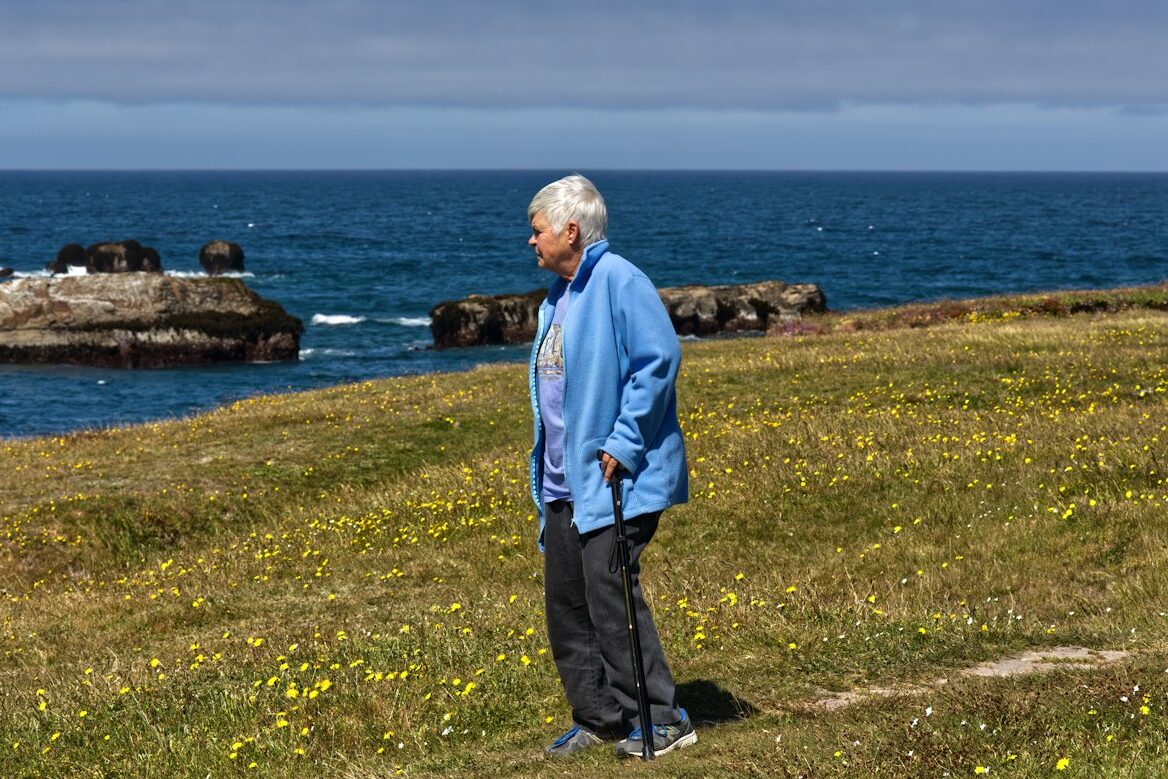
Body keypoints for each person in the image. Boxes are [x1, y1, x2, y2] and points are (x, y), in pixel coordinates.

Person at [526, 174, 696, 759]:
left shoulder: (619, 279)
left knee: (611, 594)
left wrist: (623, 443)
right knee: (568, 602)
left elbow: (658, 360)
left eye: (538, 230)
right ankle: (599, 715)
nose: (532, 241)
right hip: (564, 482)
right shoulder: (556, 297)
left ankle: (661, 717)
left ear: (570, 230)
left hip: (616, 477)